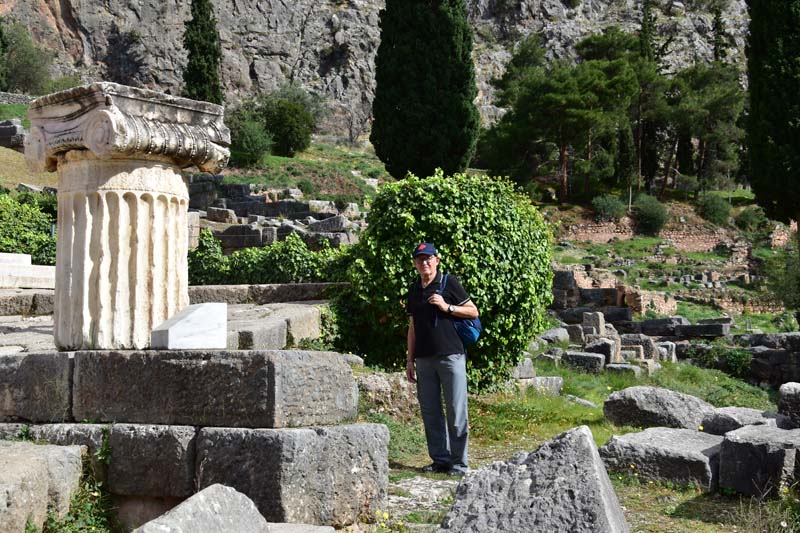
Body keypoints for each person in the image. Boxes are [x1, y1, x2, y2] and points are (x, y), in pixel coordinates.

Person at [405, 242, 479, 477]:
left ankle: (459, 464)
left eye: (428, 258)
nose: (424, 263)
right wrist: (409, 359)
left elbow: (473, 311)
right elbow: (412, 326)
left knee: (456, 410)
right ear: (415, 263)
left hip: (451, 355)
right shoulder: (414, 289)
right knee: (431, 412)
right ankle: (440, 460)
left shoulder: (449, 282)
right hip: (424, 359)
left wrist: (447, 307)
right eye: (420, 259)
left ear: (437, 260)